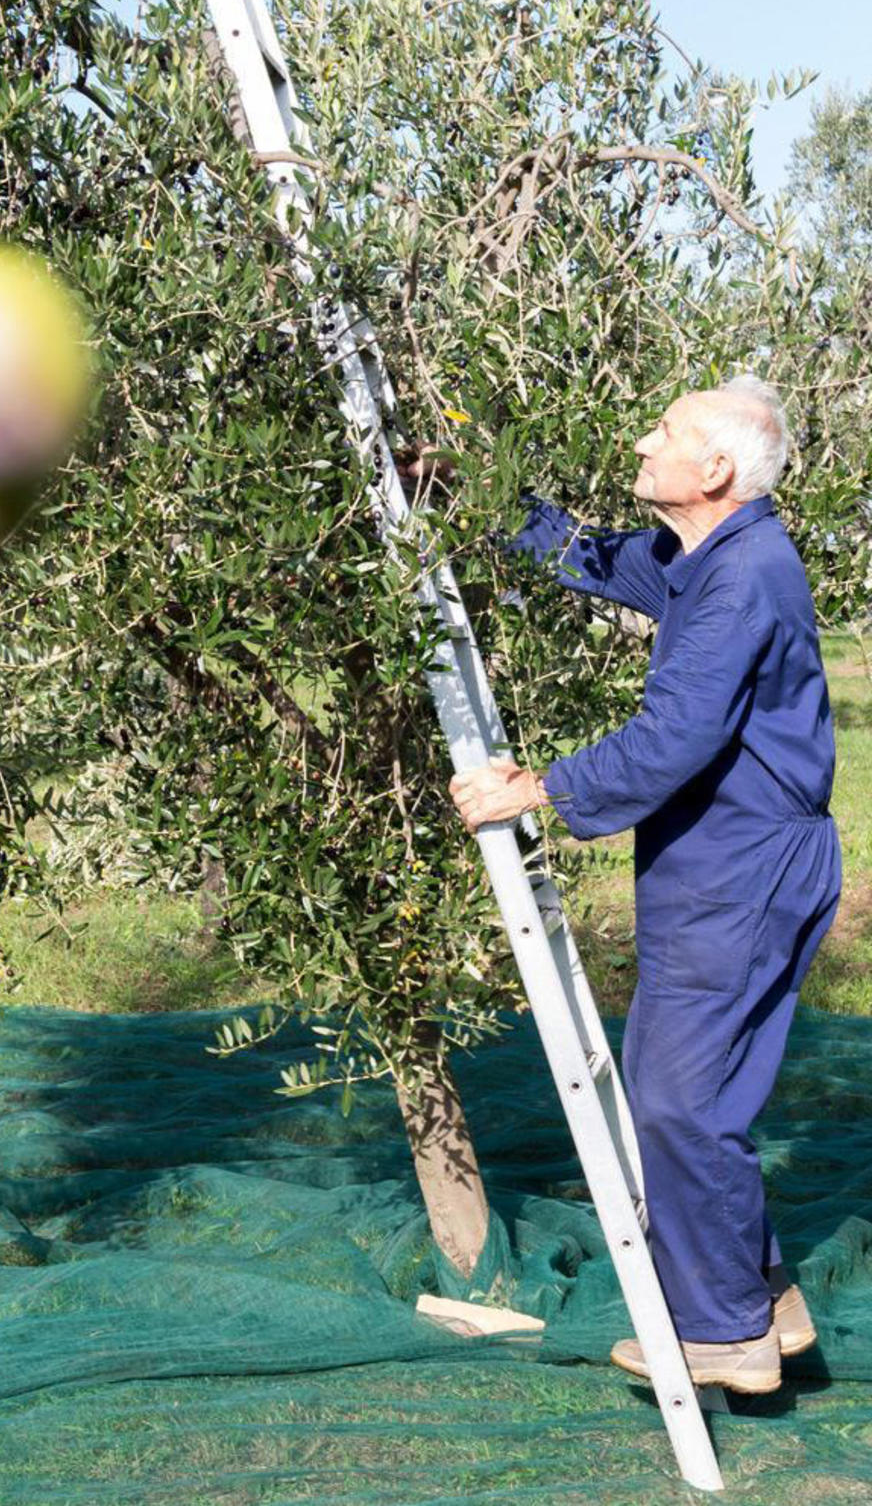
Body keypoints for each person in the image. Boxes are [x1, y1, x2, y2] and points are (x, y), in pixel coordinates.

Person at [446, 376, 841, 1396]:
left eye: (662, 431)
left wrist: (539, 789)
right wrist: (473, 497)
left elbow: (675, 737)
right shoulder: (710, 554)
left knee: (677, 1100)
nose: (641, 438)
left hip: (738, 869)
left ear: (712, 469)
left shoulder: (740, 578)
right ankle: (760, 1293)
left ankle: (724, 1336)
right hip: (733, 860)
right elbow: (602, 560)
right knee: (700, 1094)